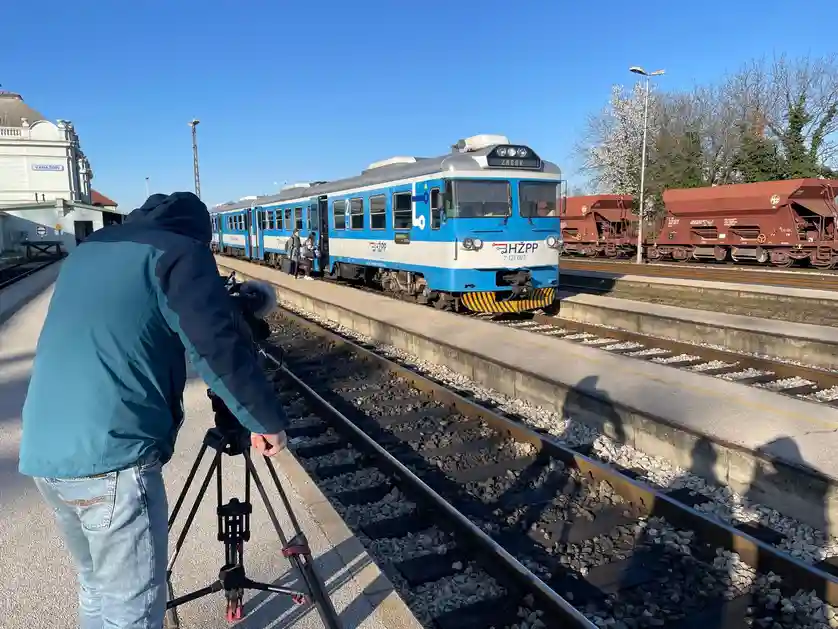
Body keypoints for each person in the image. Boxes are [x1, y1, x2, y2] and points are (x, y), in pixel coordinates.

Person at [18, 192, 289, 629]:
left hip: (44, 451)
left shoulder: (89, 251)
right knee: (134, 609)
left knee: (96, 587)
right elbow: (215, 347)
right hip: (112, 458)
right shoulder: (180, 252)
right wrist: (264, 421)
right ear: (198, 235)